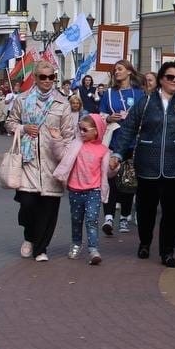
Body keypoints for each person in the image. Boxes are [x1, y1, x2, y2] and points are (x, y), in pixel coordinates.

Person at [110, 61, 175, 266]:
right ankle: (145, 242)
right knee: (146, 209)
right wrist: (117, 153)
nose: (174, 81)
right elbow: (128, 129)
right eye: (170, 77)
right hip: (147, 164)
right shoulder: (146, 102)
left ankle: (167, 252)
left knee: (172, 212)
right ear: (161, 79)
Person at [4, 60, 76, 262]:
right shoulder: (22, 99)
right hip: (28, 161)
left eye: (51, 77)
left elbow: (69, 134)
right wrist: (23, 128)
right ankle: (29, 237)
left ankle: (41, 248)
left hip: (52, 162)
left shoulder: (62, 103)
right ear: (35, 78)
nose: (47, 80)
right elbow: (10, 123)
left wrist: (62, 149)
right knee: (27, 204)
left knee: (48, 208)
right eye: (43, 77)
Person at [53, 113, 112, 265]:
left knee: (92, 220)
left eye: (85, 129)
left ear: (96, 131)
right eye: (80, 129)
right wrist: (57, 140)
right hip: (75, 190)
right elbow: (61, 156)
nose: (81, 132)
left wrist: (114, 166)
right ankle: (76, 244)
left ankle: (93, 249)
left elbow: (107, 172)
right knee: (76, 219)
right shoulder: (75, 145)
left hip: (94, 190)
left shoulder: (103, 150)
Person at [101, 60, 144, 237]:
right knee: (110, 179)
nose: (116, 72)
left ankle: (125, 217)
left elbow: (145, 115)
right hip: (113, 142)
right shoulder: (109, 93)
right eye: (115, 70)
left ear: (129, 72)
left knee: (128, 181)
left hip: (133, 144)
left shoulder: (139, 93)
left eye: (120, 69)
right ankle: (109, 217)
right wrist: (108, 118)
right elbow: (100, 114)